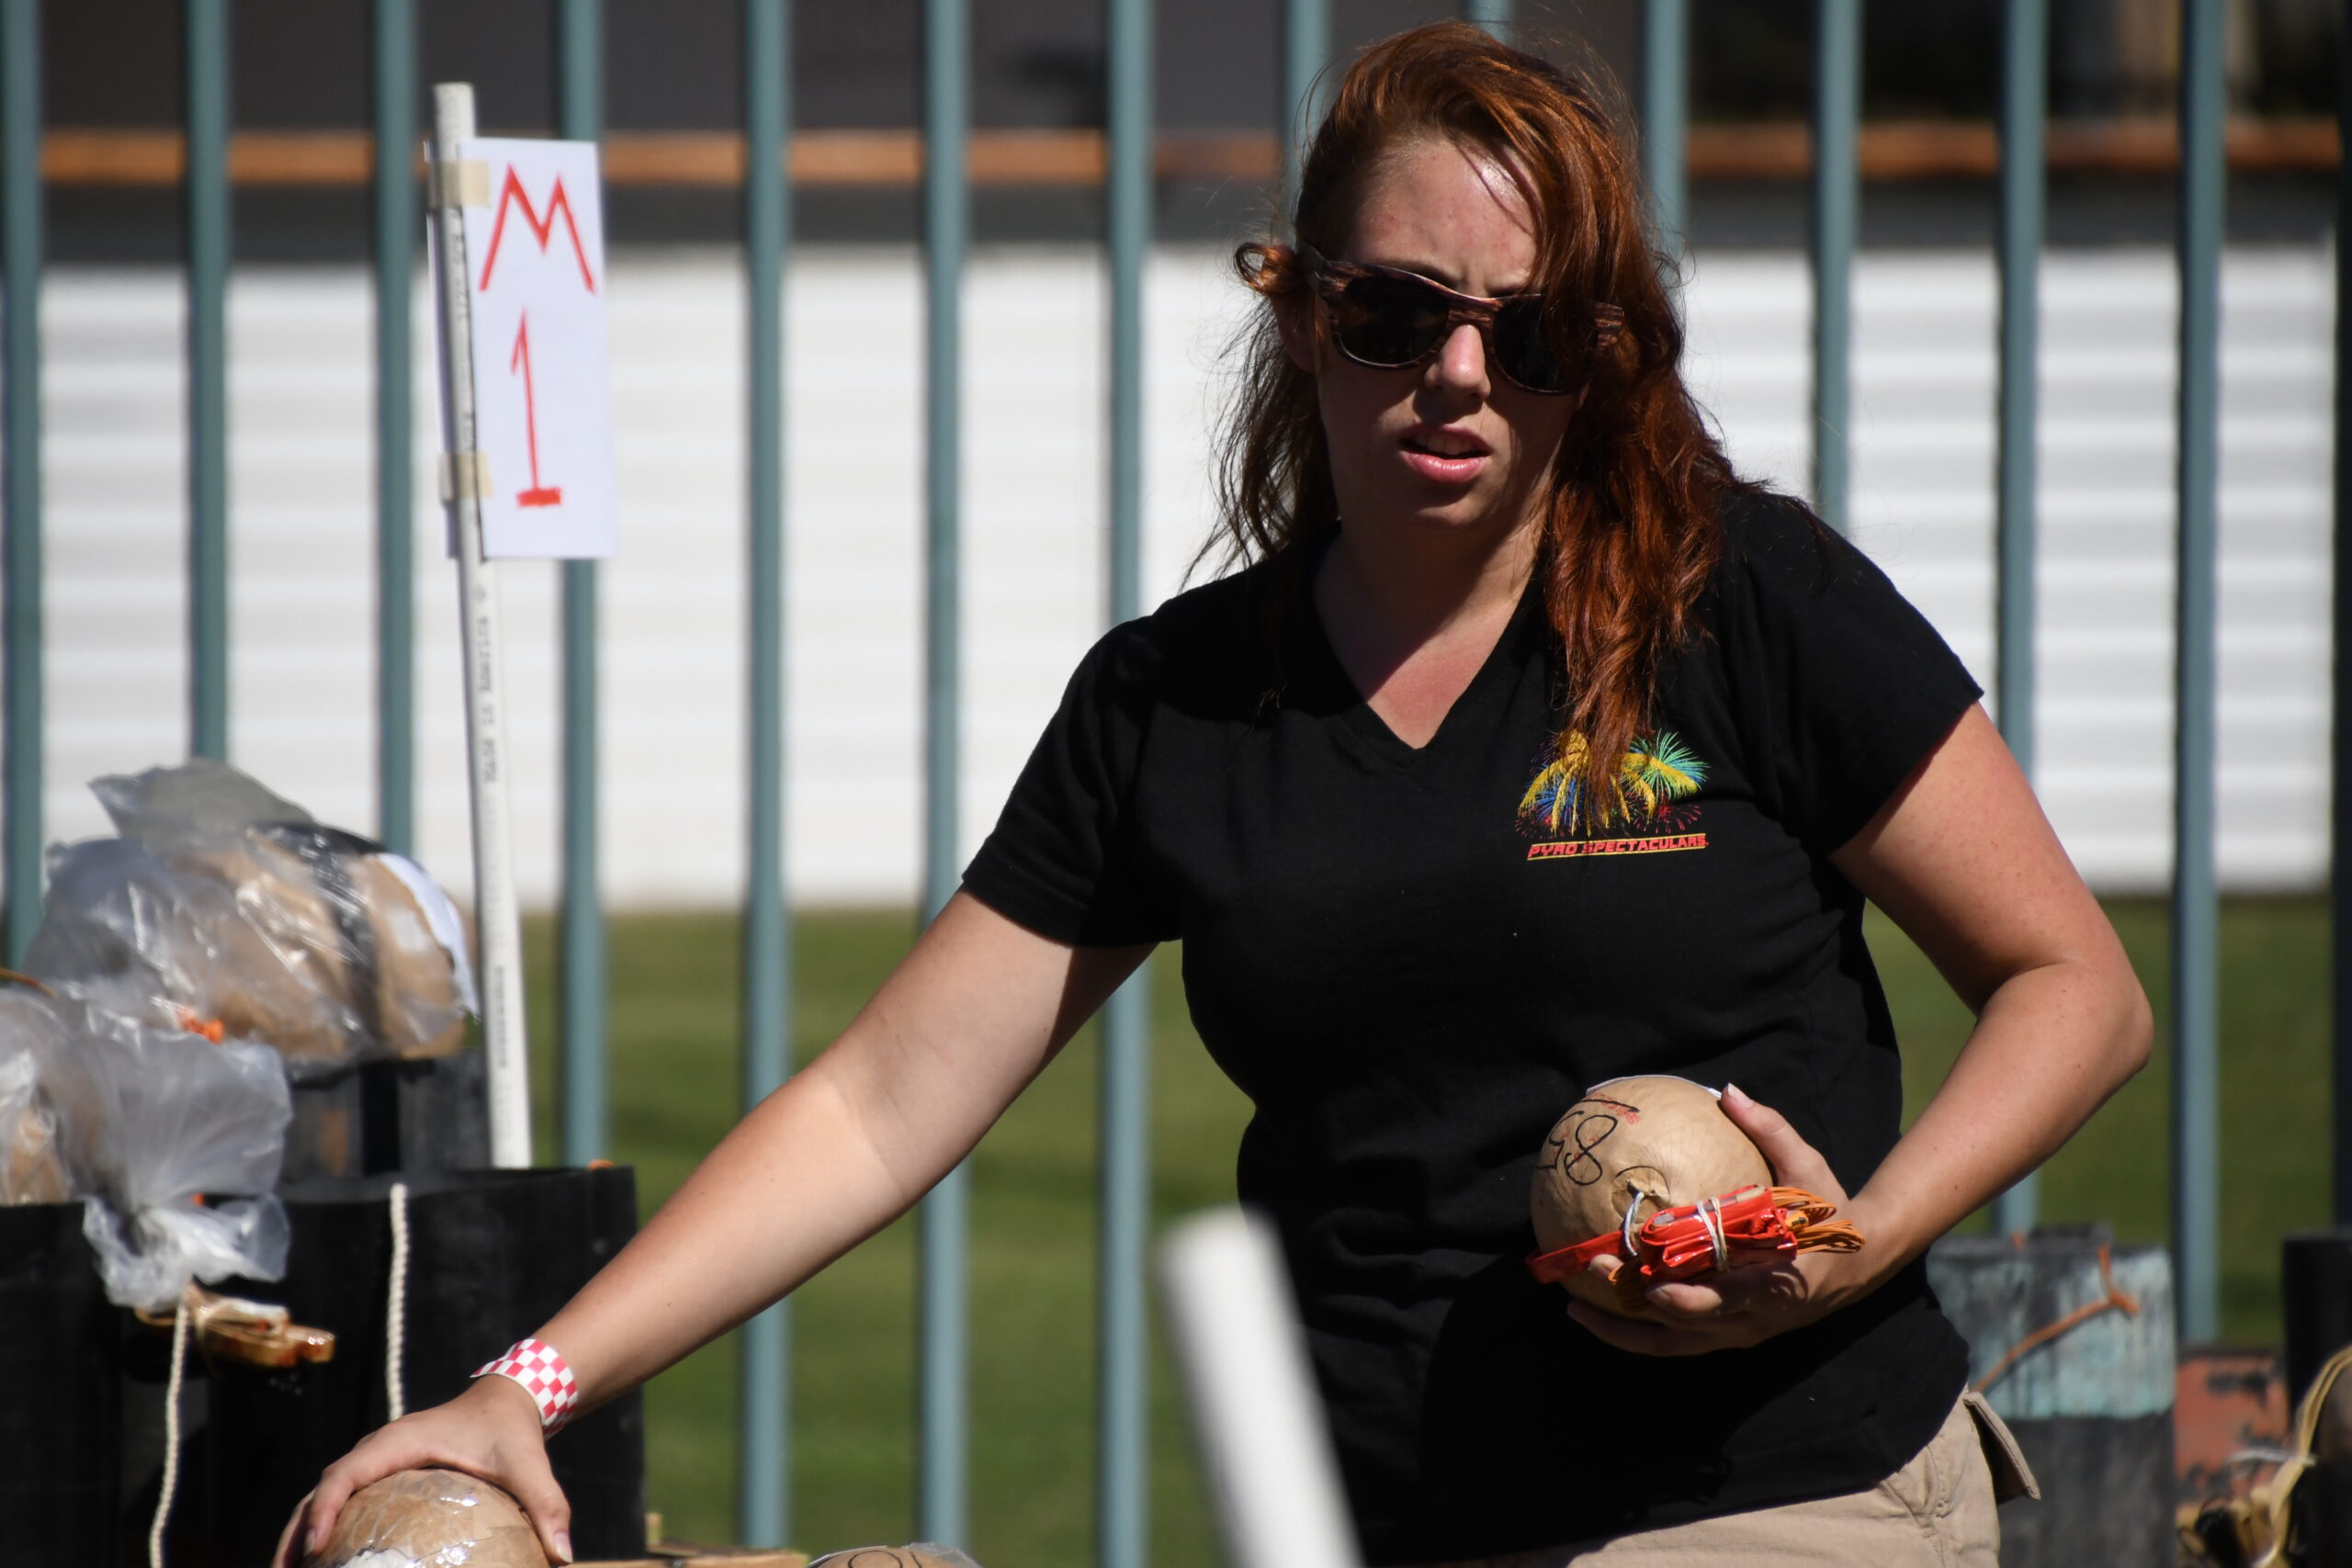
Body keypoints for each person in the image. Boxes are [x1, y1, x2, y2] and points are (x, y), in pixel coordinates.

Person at [280, 23, 2150, 1568]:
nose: (1459, 375)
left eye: (1535, 331)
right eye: (1394, 312)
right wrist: (515, 1384)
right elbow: (879, 1095)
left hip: (1780, 1484)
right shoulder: (1178, 700)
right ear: (1295, 305)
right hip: (1377, 1517)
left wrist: (1858, 1242)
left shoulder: (1739, 600)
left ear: (1603, 357)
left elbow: (2072, 981)